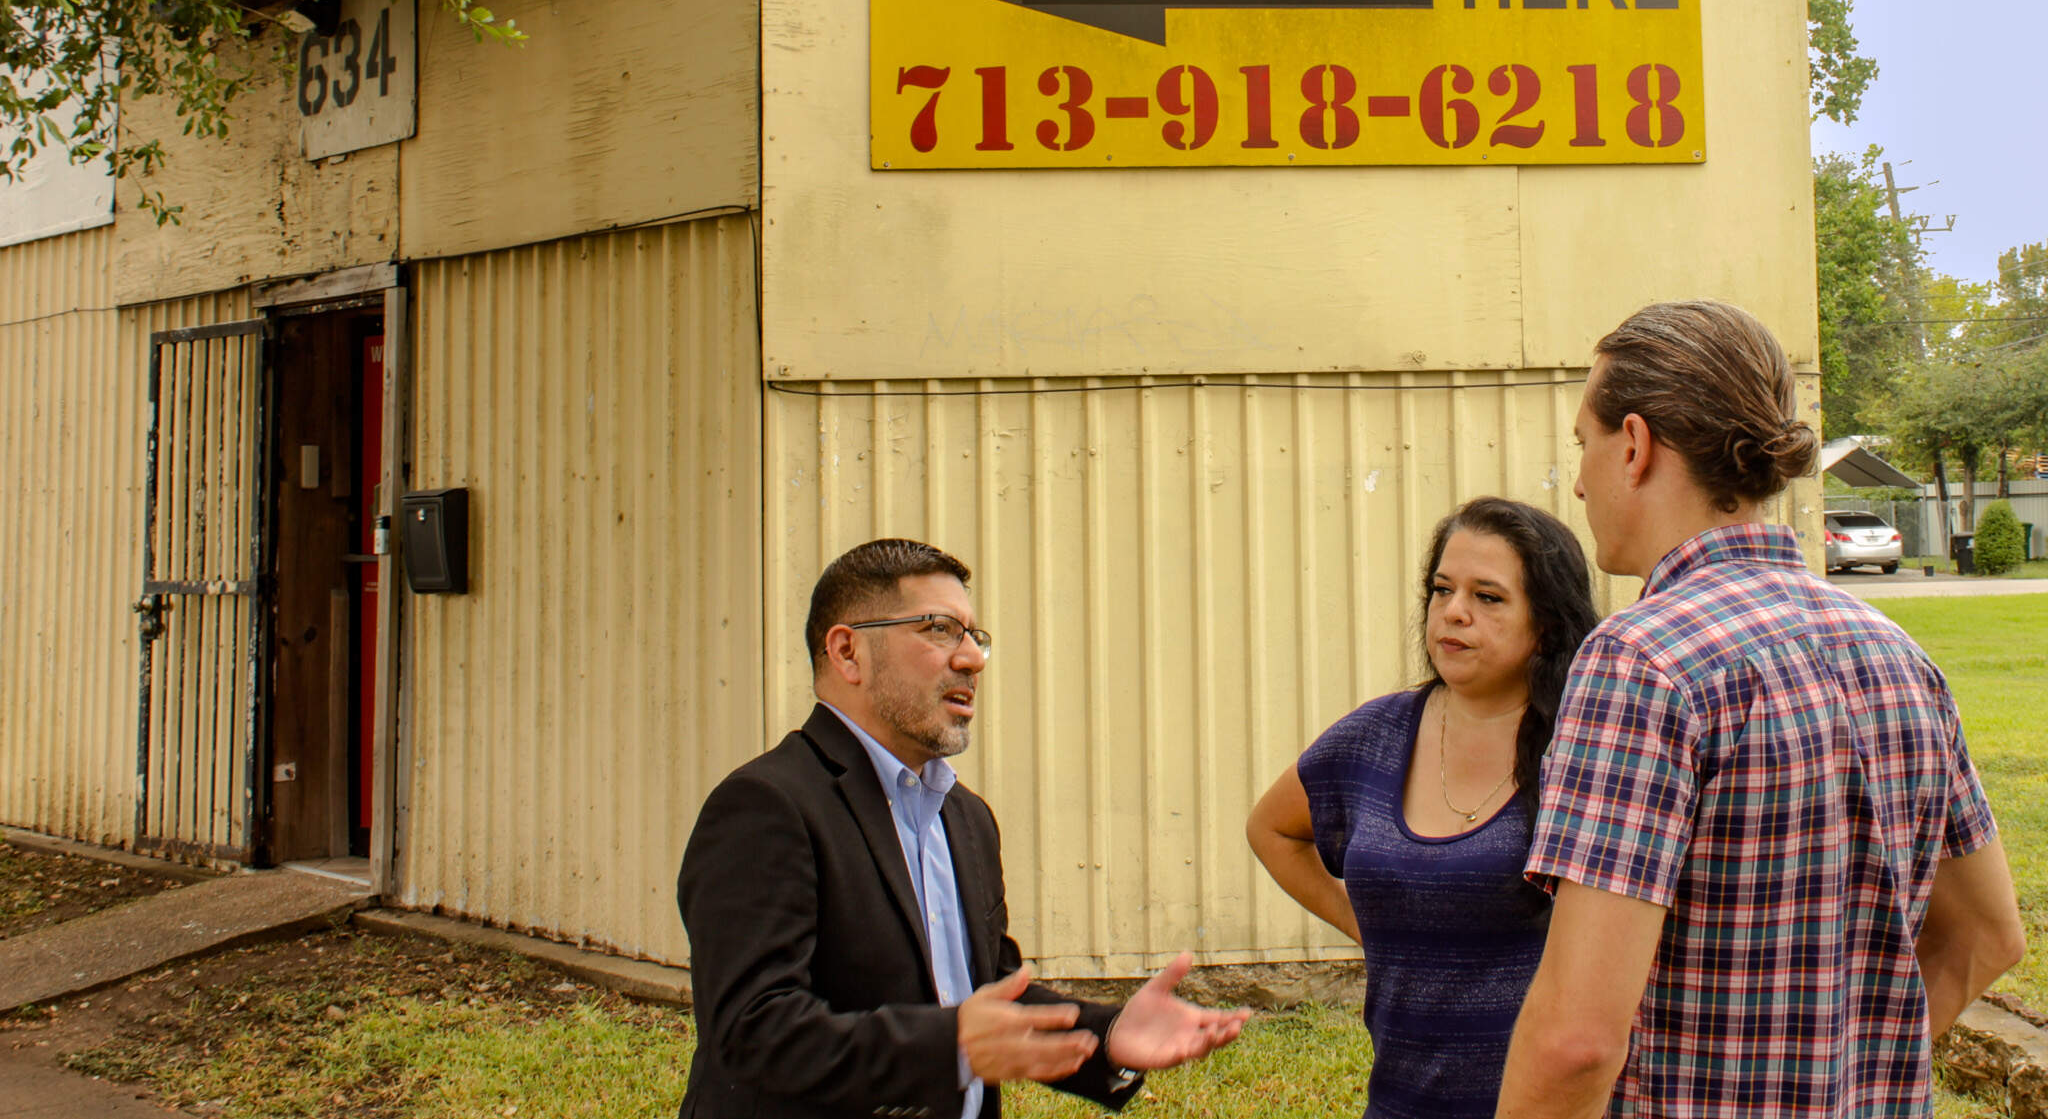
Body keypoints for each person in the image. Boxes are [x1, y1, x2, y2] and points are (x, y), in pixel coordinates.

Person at [1496, 300, 2027, 1119]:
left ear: (1633, 445)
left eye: (1583, 444)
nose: (1576, 479)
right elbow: (1989, 934)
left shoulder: (1641, 662)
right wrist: (1848, 1072)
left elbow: (1577, 1039)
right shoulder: (1896, 653)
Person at [676, 538, 1248, 1119]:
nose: (971, 659)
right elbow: (753, 1031)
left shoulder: (965, 816)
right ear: (848, 652)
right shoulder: (765, 806)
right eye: (939, 629)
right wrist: (947, 1046)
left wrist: (1109, 1037)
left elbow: (984, 993)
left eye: (975, 637)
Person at [1245, 496, 1598, 1118]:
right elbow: (1272, 830)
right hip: (1400, 1102)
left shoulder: (1584, 748)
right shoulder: (1374, 736)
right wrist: (1369, 929)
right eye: (1441, 590)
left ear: (1545, 623)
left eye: (1487, 597)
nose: (1453, 612)